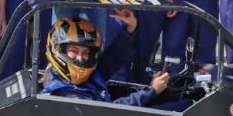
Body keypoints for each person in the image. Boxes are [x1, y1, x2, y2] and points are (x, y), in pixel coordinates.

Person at [42, 13, 176, 108]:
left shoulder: (87, 74)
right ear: (58, 49)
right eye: (74, 51)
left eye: (86, 52)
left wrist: (130, 29)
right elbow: (108, 112)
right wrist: (151, 91)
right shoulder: (64, 95)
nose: (80, 58)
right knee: (186, 105)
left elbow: (113, 57)